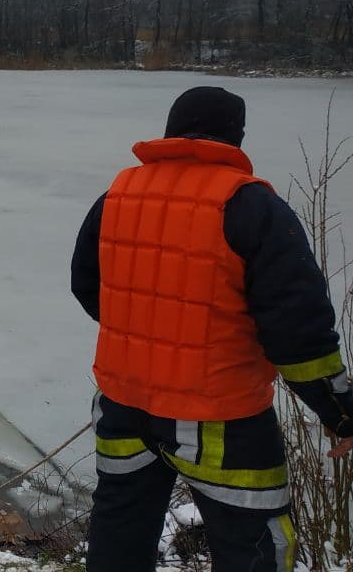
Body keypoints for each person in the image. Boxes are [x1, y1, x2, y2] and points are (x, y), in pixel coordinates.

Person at [71, 86, 353, 572]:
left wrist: (149, 339)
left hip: (124, 409)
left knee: (119, 533)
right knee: (256, 548)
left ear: (170, 129)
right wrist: (341, 411)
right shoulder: (252, 207)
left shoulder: (116, 196)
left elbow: (88, 286)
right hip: (222, 420)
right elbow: (298, 331)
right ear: (235, 137)